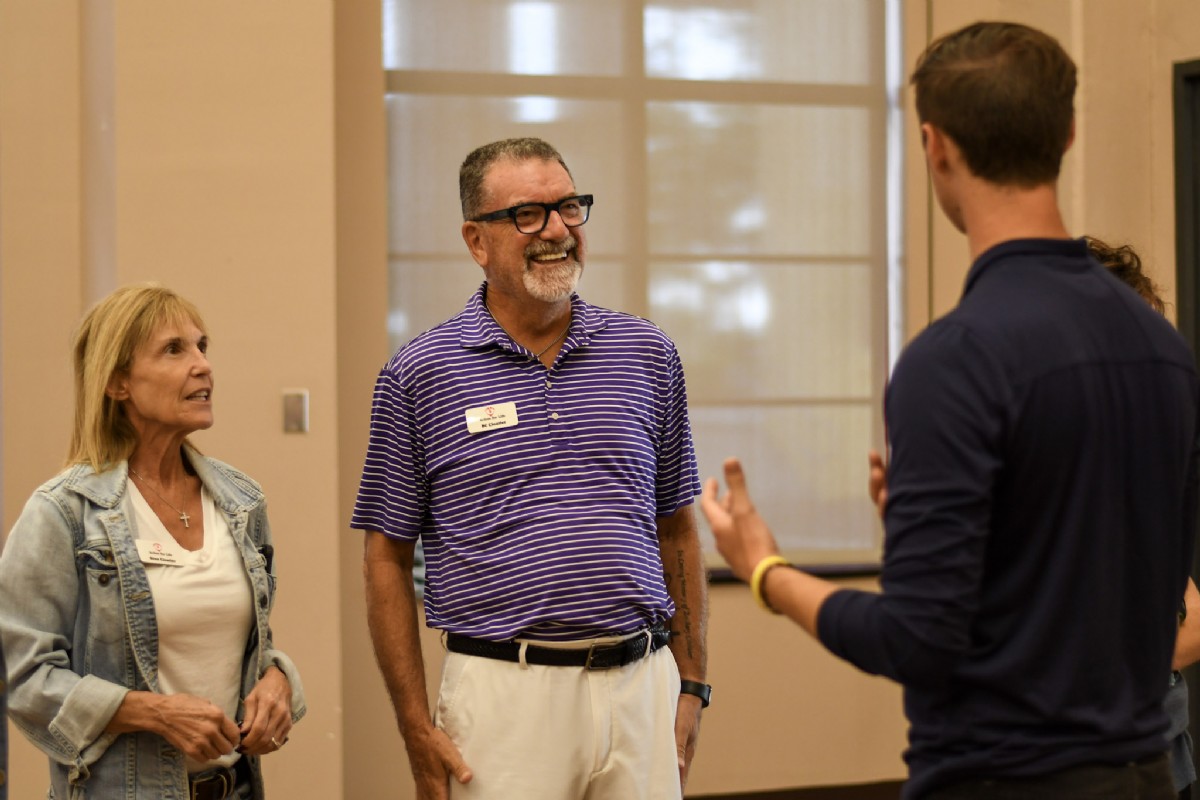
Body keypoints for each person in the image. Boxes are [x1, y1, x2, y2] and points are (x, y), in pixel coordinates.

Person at [702, 21, 1200, 800]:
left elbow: (917, 640)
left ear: (935, 147)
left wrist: (766, 570)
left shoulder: (956, 359)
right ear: (1067, 134)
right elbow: (1128, 576)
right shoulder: (1162, 349)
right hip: (1145, 779)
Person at [352, 136, 709, 800]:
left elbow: (677, 531)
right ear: (475, 240)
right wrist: (411, 723)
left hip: (641, 685)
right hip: (503, 697)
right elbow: (385, 557)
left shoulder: (647, 353)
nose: (557, 230)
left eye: (569, 207)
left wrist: (691, 684)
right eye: (529, 214)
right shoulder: (418, 375)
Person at [0, 284, 306, 799]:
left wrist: (278, 678)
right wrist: (153, 712)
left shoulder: (242, 501)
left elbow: (248, 643)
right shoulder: (64, 512)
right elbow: (22, 675)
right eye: (174, 349)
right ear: (118, 382)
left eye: (202, 346)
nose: (202, 365)